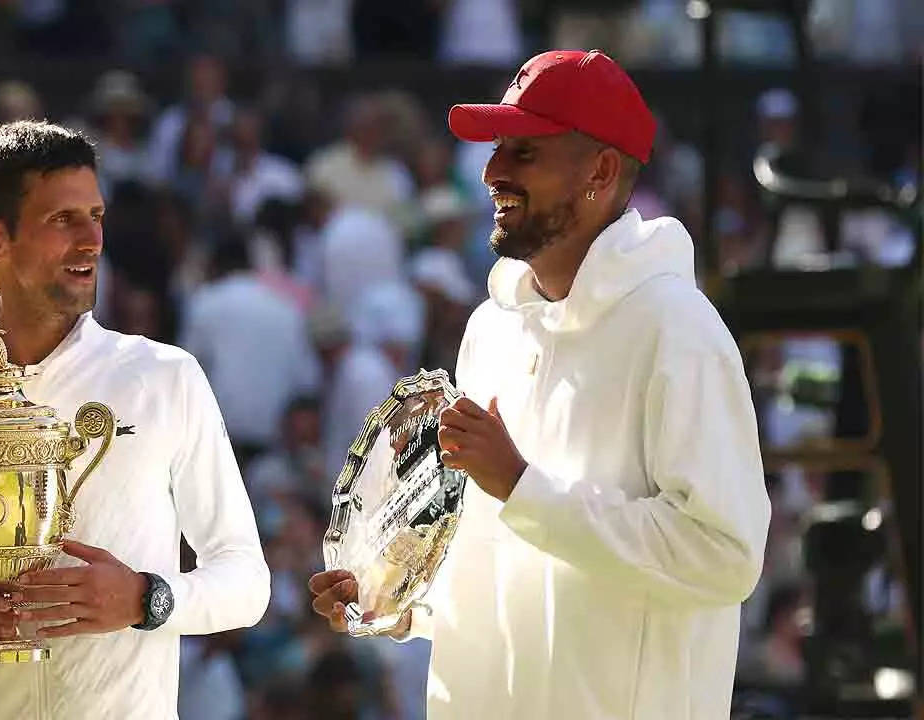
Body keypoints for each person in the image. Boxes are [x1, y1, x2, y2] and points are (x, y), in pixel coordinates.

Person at [309, 50, 771, 719]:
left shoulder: (678, 331)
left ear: (601, 172)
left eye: (524, 154)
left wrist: (526, 489)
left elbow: (725, 556)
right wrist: (396, 597)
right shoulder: (490, 330)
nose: (493, 172)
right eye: (499, 150)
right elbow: (500, 567)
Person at [0, 120, 270, 719]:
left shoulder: (166, 377)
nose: (91, 240)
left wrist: (149, 598)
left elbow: (246, 579)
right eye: (62, 220)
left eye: (96, 216)